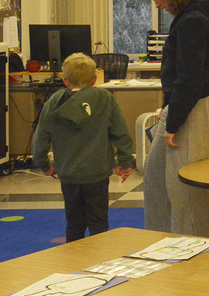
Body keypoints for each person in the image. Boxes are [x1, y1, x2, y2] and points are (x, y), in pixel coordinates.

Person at [143, 0, 209, 237]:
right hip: (182, 103)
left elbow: (190, 78)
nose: (157, 4)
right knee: (155, 176)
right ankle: (161, 240)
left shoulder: (193, 20)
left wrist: (173, 122)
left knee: (184, 186)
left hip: (195, 104)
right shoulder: (189, 16)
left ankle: (193, 247)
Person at [31, 52, 135, 242]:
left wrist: (44, 164)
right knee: (99, 223)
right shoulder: (104, 98)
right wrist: (125, 161)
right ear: (95, 79)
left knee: (74, 223)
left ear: (65, 81)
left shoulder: (54, 101)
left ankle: (73, 262)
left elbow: (41, 137)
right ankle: (99, 264)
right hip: (97, 173)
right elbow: (120, 132)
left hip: (68, 174)